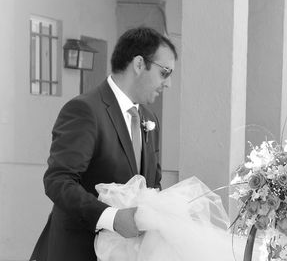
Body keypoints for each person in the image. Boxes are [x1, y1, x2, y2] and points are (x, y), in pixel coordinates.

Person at [30, 26, 177, 261]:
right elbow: (58, 181)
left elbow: (152, 184)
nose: (167, 84)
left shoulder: (149, 119)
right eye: (165, 72)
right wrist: (112, 218)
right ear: (139, 64)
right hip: (80, 251)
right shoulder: (85, 110)